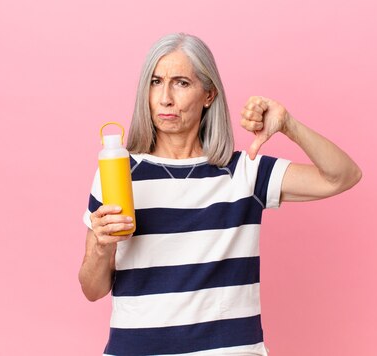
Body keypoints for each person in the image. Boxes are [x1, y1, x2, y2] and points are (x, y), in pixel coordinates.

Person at [79, 33, 361, 356]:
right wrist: (101, 247)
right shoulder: (117, 173)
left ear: (209, 94)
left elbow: (342, 176)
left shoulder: (244, 172)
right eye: (156, 82)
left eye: (181, 83)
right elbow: (92, 289)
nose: (165, 98)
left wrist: (288, 125)